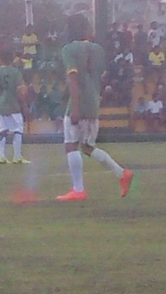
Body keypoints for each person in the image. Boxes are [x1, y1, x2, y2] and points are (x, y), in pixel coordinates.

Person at [57, 14, 133, 202]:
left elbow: (73, 79)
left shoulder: (69, 49)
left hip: (79, 103)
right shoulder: (98, 50)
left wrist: (75, 108)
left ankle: (78, 190)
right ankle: (122, 173)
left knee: (71, 145)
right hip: (93, 103)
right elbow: (101, 77)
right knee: (87, 146)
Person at [0, 46, 29, 166]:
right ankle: (17, 156)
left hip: (0, 105)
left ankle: (1, 156)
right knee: (18, 129)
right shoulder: (15, 72)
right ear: (12, 58)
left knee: (2, 130)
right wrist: (24, 104)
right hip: (13, 104)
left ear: (0, 58)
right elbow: (21, 90)